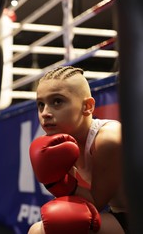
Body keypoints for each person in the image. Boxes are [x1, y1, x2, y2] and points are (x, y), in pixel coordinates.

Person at [28, 66, 128, 234]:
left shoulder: (108, 139)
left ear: (87, 106)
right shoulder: (64, 143)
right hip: (121, 214)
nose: (45, 113)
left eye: (57, 101)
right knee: (39, 230)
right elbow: (77, 205)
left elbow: (94, 203)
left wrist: (55, 182)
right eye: (40, 104)